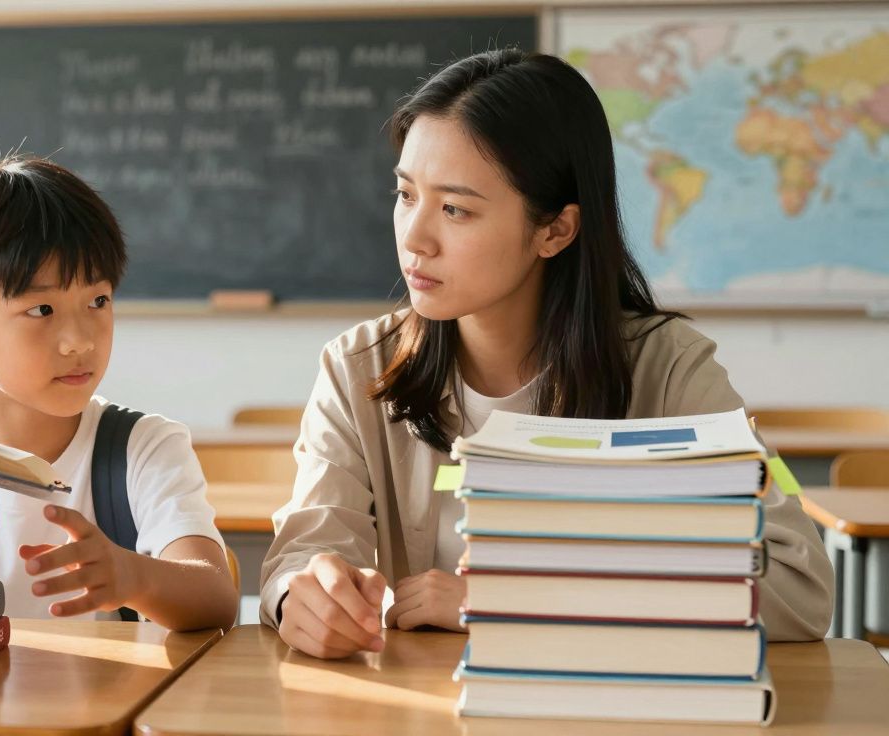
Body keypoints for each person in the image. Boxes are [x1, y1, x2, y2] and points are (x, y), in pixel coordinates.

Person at [260, 49, 834, 659]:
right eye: (406, 195)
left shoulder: (669, 369)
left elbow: (798, 588)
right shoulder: (360, 368)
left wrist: (518, 598)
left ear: (555, 229)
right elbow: (302, 552)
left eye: (455, 209)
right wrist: (301, 598)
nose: (415, 237)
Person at [0, 155, 237, 630]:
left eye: (98, 301)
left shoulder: (143, 448)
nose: (81, 340)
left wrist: (132, 575)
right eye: (42, 310)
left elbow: (217, 597)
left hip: (111, 704)